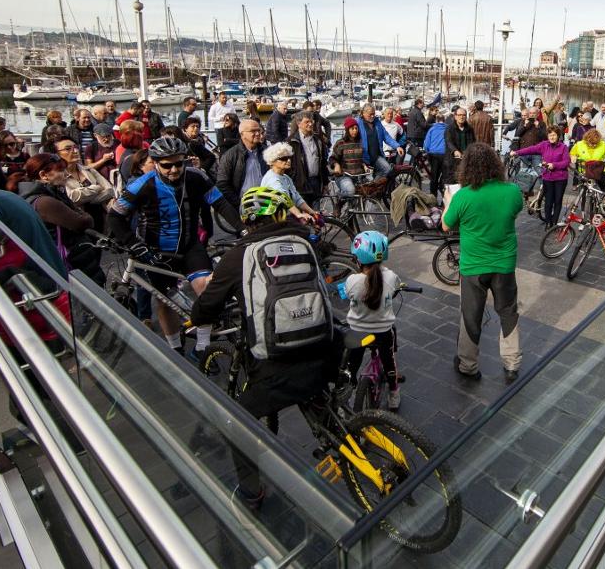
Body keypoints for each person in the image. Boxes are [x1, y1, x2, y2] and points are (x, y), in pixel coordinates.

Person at [191, 186, 339, 436]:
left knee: (239, 432)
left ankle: (253, 473)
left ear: (247, 220)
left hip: (276, 363)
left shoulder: (238, 255)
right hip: (324, 346)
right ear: (282, 215)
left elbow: (207, 305)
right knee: (324, 406)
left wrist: (198, 318)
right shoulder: (304, 243)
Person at [107, 137, 242, 345]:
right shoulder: (141, 185)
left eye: (179, 163)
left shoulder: (197, 177)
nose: (174, 169)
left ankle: (203, 344)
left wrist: (242, 229)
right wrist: (132, 243)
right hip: (155, 250)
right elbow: (115, 217)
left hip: (190, 246)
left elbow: (221, 203)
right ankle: (174, 346)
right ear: (155, 162)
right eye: (166, 165)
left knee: (205, 289)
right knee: (165, 301)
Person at [442, 143, 523, 382]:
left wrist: (449, 201)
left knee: (471, 315)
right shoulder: (512, 192)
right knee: (508, 312)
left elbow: (446, 225)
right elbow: (514, 212)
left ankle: (468, 365)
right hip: (504, 264)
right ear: (495, 165)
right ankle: (512, 363)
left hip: (473, 266)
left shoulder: (463, 196)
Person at [18, 153, 105, 284]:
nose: (65, 173)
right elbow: (82, 222)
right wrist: (83, 214)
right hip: (71, 262)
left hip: (76, 258)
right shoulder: (44, 202)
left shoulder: (52, 192)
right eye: (60, 170)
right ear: (43, 175)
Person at [342, 230, 403, 409]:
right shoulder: (390, 278)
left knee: (352, 364)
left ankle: (345, 392)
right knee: (388, 360)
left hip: (357, 331)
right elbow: (397, 286)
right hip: (382, 332)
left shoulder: (352, 280)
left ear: (358, 259)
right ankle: (394, 393)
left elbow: (347, 294)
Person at [511, 127, 570, 227]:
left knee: (558, 200)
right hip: (548, 177)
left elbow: (566, 162)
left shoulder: (563, 147)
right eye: (550, 135)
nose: (552, 137)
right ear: (547, 136)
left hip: (560, 178)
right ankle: (548, 222)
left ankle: (554, 222)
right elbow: (530, 149)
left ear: (558, 136)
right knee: (548, 201)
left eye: (554, 135)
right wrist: (517, 152)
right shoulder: (544, 145)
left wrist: (554, 165)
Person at [50, 136, 114, 227]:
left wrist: (88, 200)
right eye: (68, 149)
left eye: (76, 147)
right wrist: (97, 188)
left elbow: (109, 190)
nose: (75, 151)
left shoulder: (89, 170)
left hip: (102, 219)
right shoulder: (58, 177)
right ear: (57, 154)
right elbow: (72, 198)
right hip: (78, 223)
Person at [215, 119, 268, 209]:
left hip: (267, 202)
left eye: (259, 130)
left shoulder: (267, 152)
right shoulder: (230, 155)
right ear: (242, 134)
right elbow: (222, 184)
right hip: (244, 204)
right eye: (253, 131)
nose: (258, 134)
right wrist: (238, 203)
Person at [260, 142, 318, 223]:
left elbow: (297, 198)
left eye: (289, 157)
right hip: (274, 221)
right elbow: (283, 198)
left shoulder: (285, 177)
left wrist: (311, 211)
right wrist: (298, 214)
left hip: (285, 217)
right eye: (283, 158)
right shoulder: (272, 179)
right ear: (272, 161)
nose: (288, 160)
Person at [290, 111, 330, 205]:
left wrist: (325, 182)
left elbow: (323, 162)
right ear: (299, 124)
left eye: (311, 121)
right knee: (303, 216)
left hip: (315, 182)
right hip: (300, 184)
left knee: (316, 214)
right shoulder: (291, 142)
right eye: (307, 122)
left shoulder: (318, 139)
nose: (311, 124)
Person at [356, 103, 404, 179]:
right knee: (362, 181)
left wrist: (397, 146)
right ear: (363, 113)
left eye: (373, 114)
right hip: (363, 157)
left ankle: (376, 184)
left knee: (387, 169)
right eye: (370, 114)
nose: (372, 116)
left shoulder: (377, 122)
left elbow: (386, 136)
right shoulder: (358, 123)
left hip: (376, 155)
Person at [330, 116, 367, 198]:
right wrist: (337, 165)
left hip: (359, 176)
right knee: (350, 191)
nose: (355, 131)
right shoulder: (340, 143)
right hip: (344, 176)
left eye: (356, 128)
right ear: (347, 130)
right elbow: (332, 158)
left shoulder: (360, 143)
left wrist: (365, 166)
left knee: (370, 190)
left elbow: (362, 159)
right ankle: (338, 199)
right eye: (352, 129)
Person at [422, 108, 448, 196]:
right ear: (444, 120)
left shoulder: (432, 129)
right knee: (445, 176)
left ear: (436, 121)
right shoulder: (448, 129)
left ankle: (433, 197)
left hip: (434, 155)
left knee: (434, 177)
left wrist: (427, 151)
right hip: (445, 154)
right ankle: (445, 196)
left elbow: (426, 144)